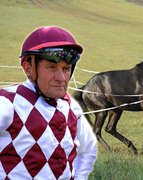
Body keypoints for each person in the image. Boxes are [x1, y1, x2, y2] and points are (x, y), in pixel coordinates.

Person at [0, 26, 97, 179]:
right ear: (28, 68)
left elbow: (88, 150)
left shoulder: (72, 107)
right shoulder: (7, 102)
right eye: (52, 67)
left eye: (66, 68)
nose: (61, 78)